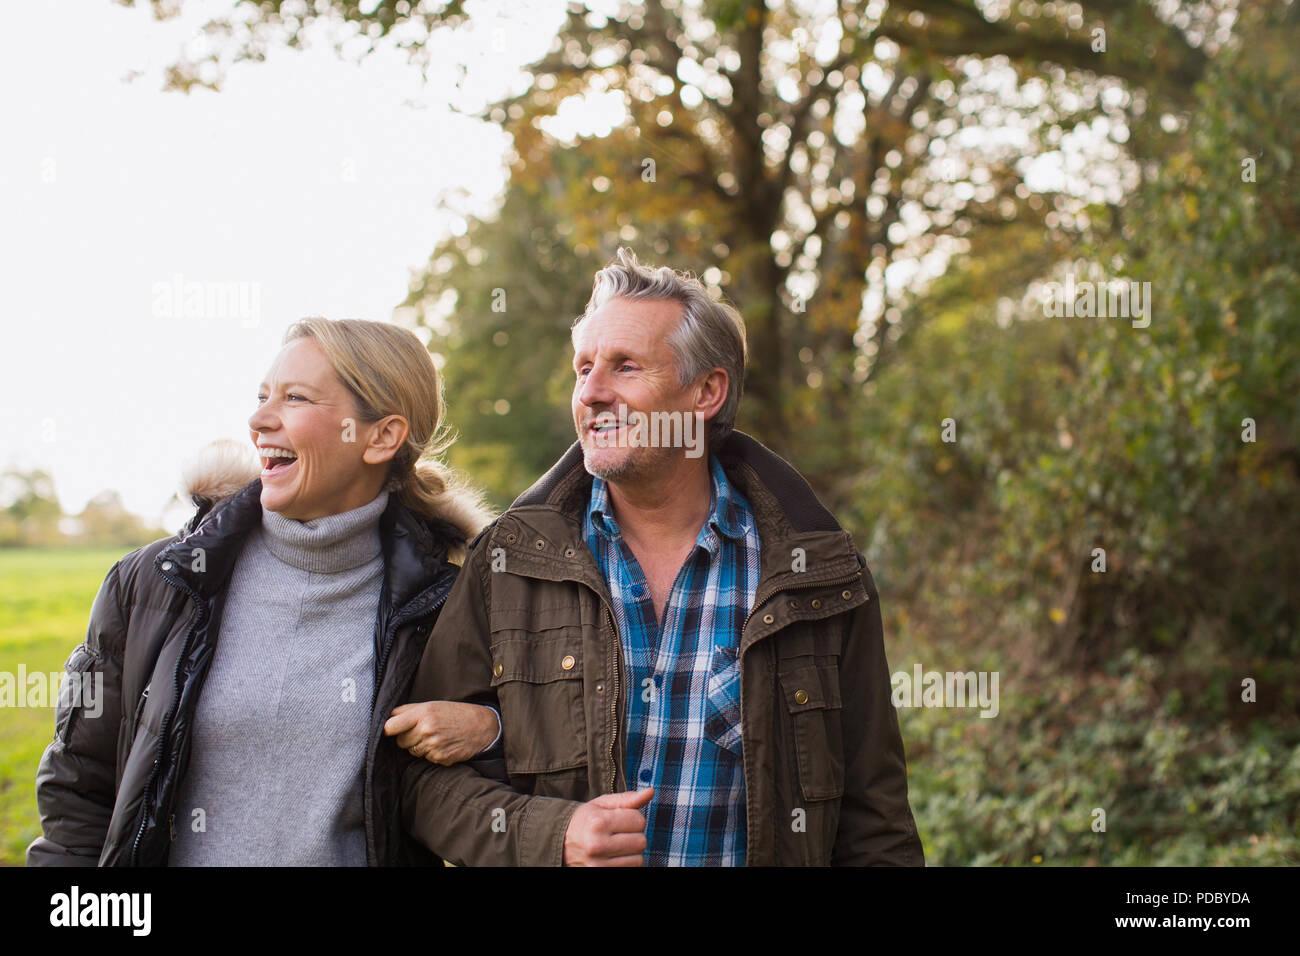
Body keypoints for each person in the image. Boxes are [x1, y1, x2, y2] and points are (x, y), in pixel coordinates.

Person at [397, 249, 924, 865]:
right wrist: (552, 836)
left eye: (625, 367)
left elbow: (874, 818)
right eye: (583, 368)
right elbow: (420, 784)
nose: (591, 393)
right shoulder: (508, 565)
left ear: (705, 392)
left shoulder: (816, 574)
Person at [28, 317, 501, 866]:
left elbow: (516, 783)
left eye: (295, 399)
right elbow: (77, 789)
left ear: (381, 436)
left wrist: (490, 732)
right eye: (261, 397)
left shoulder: (448, 604)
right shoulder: (156, 584)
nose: (258, 420)